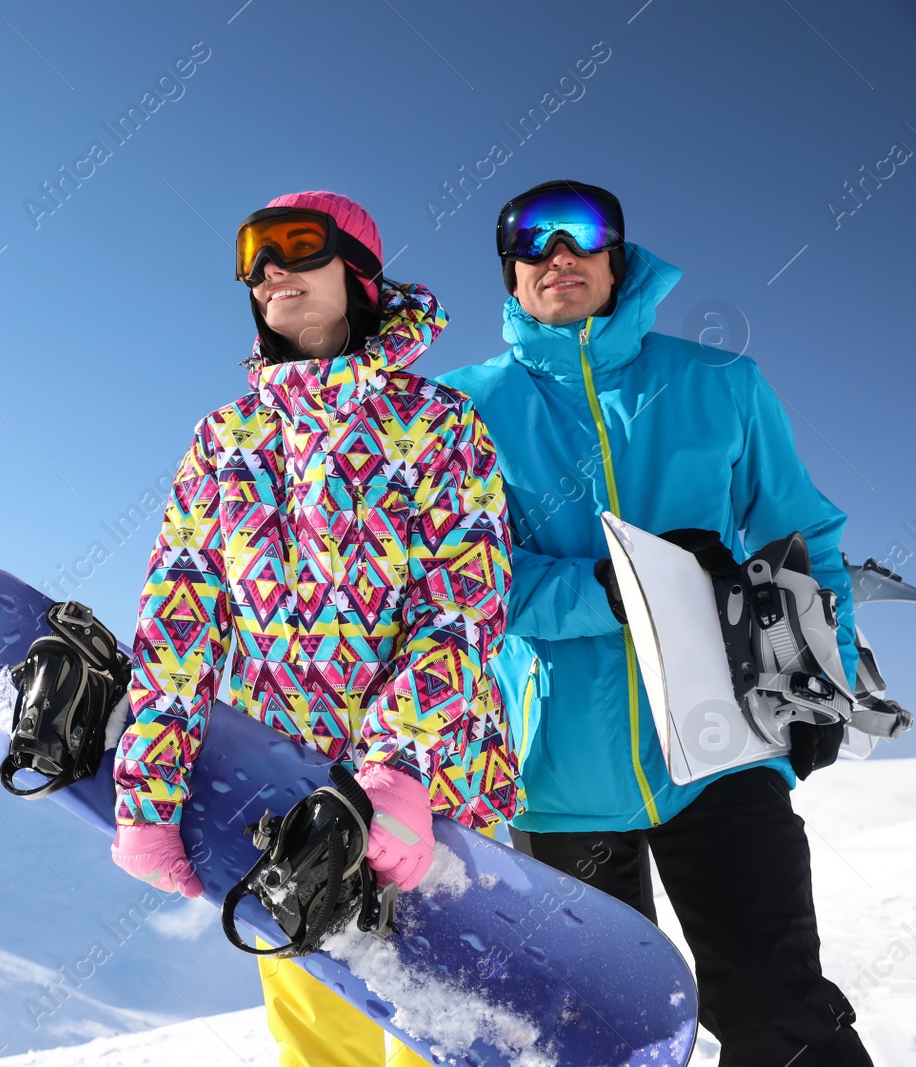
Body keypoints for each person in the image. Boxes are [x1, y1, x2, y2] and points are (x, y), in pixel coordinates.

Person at [439, 179, 873, 1066]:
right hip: (556, 771)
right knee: (598, 1041)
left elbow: (808, 533)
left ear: (618, 256)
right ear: (510, 275)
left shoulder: (719, 382)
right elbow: (461, 585)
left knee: (781, 1014)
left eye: (583, 235)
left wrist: (826, 672)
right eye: (532, 242)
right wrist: (615, 588)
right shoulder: (460, 410)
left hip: (726, 755)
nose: (558, 255)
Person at [107, 190, 522, 1067]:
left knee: (441, 1041)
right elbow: (178, 620)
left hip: (433, 803)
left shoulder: (440, 424)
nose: (271, 271)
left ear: (361, 270)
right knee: (320, 1047)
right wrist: (149, 794)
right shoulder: (225, 439)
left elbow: (464, 604)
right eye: (253, 259)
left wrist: (399, 769)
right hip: (288, 801)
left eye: (297, 246)